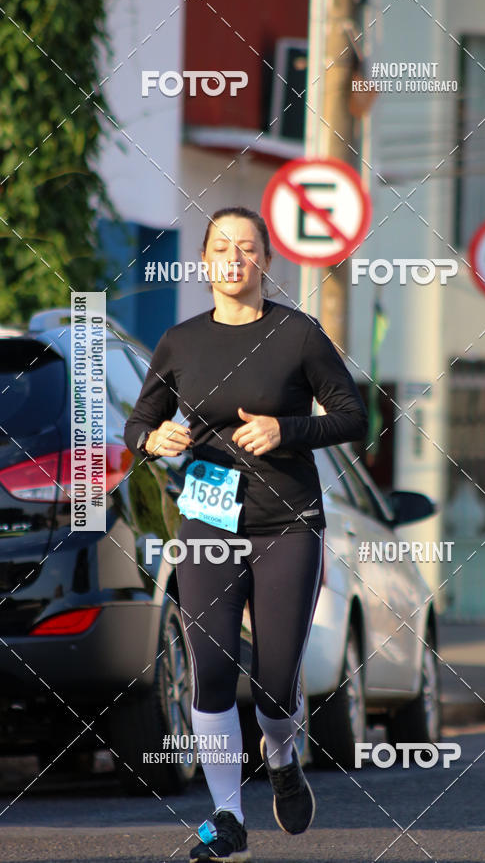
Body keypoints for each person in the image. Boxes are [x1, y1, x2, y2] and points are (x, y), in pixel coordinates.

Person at [124, 206, 368, 862]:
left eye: (248, 247)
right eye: (222, 246)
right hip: (209, 519)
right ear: (203, 261)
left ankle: (282, 754)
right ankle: (228, 816)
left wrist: (286, 430)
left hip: (287, 522)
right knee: (209, 671)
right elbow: (137, 423)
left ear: (265, 261)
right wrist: (153, 438)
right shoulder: (179, 341)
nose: (234, 257)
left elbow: (353, 417)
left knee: (274, 683)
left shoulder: (298, 335)